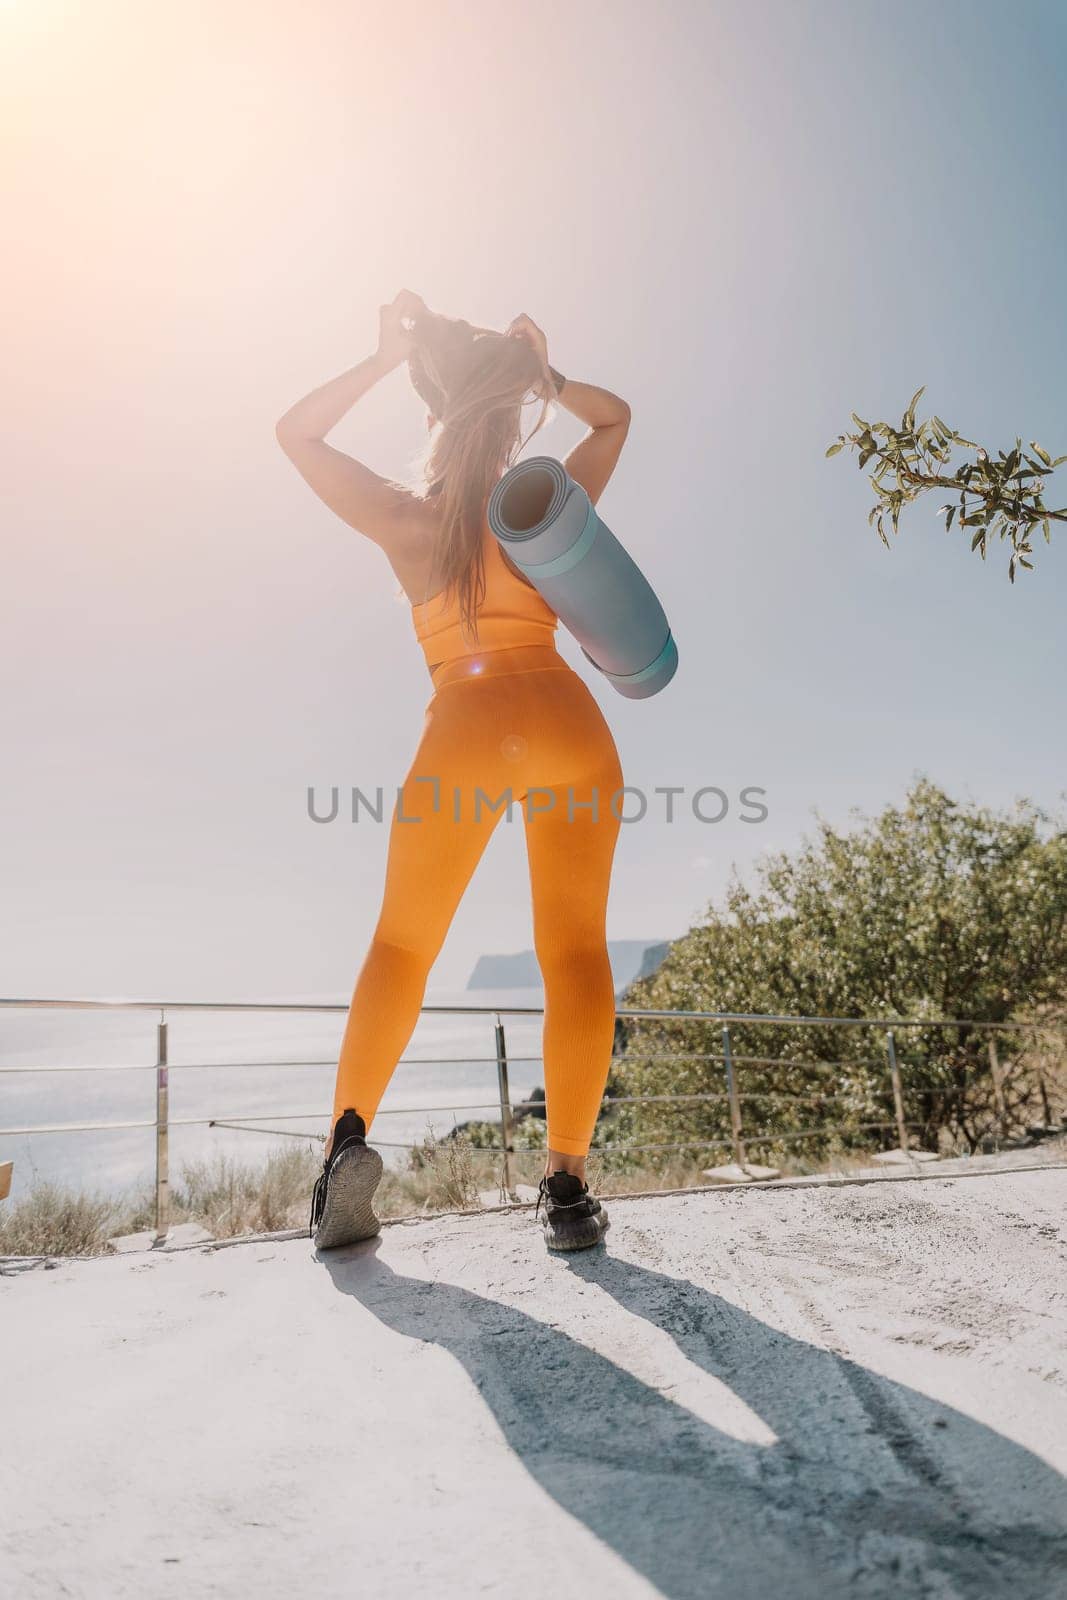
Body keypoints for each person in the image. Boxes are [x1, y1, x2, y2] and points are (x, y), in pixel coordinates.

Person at [275, 291, 631, 1252]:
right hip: (568, 722)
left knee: (401, 947)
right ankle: (564, 1190)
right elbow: (615, 417)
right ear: (514, 413)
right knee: (574, 953)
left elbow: (295, 433)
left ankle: (344, 1150)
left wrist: (385, 356)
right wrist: (543, 371)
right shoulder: (543, 508)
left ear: (435, 415)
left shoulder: (400, 519)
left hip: (465, 729)